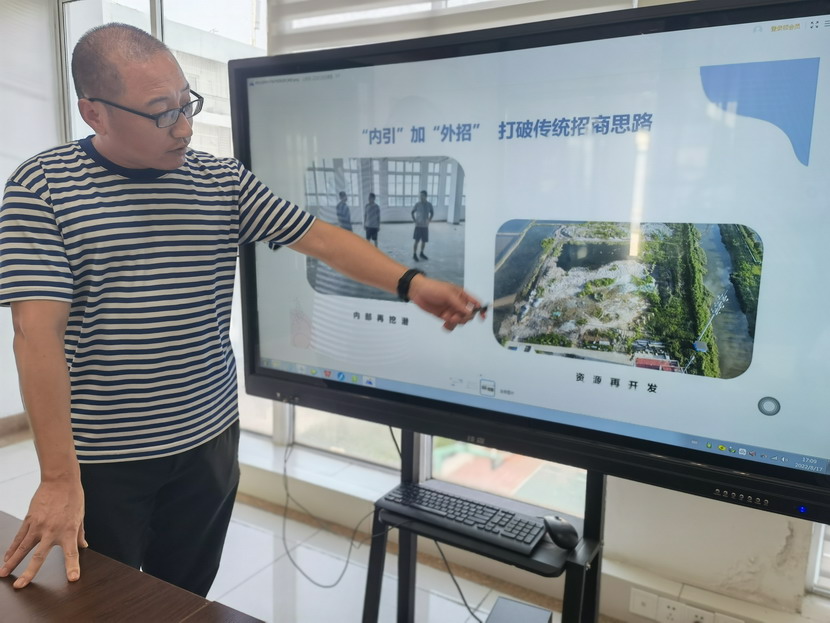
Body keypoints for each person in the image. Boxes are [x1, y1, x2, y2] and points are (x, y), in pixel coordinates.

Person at [0, 23, 481, 597]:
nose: (183, 127)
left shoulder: (220, 181)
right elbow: (36, 334)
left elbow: (321, 239)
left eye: (186, 104)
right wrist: (59, 477)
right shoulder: (43, 188)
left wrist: (411, 283)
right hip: (104, 456)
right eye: (161, 114)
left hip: (209, 440)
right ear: (94, 113)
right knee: (106, 599)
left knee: (186, 594)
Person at [411, 190, 434, 262]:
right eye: (420, 196)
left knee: (424, 241)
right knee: (416, 241)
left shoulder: (429, 204)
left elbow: (432, 213)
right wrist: (415, 220)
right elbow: (412, 212)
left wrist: (429, 220)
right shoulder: (417, 204)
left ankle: (421, 253)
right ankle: (414, 254)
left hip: (425, 226)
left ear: (426, 196)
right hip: (418, 226)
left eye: (422, 196)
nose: (420, 197)